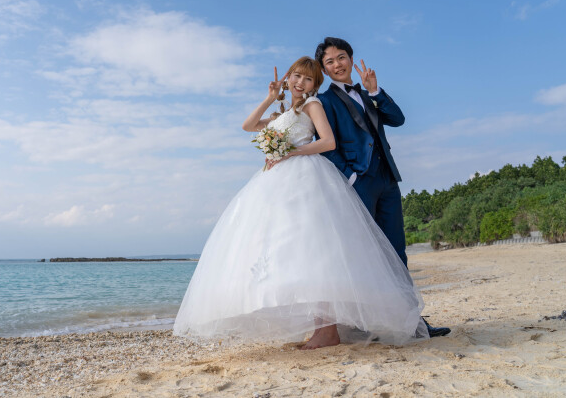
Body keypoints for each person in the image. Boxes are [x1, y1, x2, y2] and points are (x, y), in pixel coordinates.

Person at [173, 57, 428, 349]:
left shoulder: (312, 106)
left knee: (314, 253)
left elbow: (328, 142)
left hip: (305, 178)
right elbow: (248, 125)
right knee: (292, 254)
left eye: (308, 79)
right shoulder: (284, 110)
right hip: (276, 184)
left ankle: (327, 331)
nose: (300, 83)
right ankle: (320, 329)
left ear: (315, 85)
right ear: (288, 79)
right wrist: (271, 97)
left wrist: (291, 153)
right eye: (296, 76)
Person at [314, 37, 450, 338]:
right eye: (330, 62)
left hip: (387, 179)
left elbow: (398, 119)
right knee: (363, 254)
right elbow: (324, 145)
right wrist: (350, 176)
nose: (337, 64)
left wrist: (374, 90)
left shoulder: (369, 92)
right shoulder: (324, 102)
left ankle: (413, 322)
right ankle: (366, 322)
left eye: (341, 57)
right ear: (324, 70)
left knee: (396, 252)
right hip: (358, 184)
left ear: (351, 58)